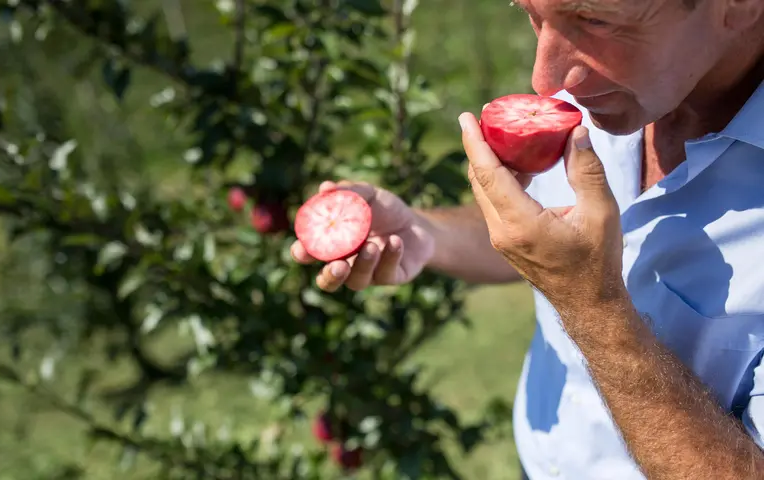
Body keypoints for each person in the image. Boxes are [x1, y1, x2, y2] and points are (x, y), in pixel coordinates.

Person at [291, 0, 764, 479]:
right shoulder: (617, 90)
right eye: (532, 13)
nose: (547, 78)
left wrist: (591, 306)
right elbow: (548, 234)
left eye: (596, 20)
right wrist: (425, 233)